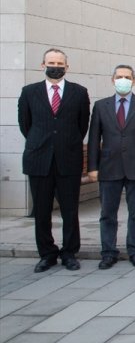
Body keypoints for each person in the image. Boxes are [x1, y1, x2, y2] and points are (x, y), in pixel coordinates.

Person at [18, 48, 91, 273]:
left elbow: (82, 125)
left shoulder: (79, 92)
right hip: (39, 160)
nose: (55, 67)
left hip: (68, 160)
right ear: (43, 65)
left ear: (67, 67)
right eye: (51, 63)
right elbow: (25, 125)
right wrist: (43, 142)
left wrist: (64, 143)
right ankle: (47, 254)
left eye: (60, 64)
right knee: (42, 211)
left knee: (70, 210)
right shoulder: (29, 92)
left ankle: (69, 253)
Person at [87, 65, 135, 268]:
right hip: (109, 166)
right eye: (119, 77)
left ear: (134, 81)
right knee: (107, 213)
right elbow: (94, 138)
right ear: (113, 80)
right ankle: (108, 252)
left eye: (127, 77)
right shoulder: (101, 106)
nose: (123, 80)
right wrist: (92, 167)